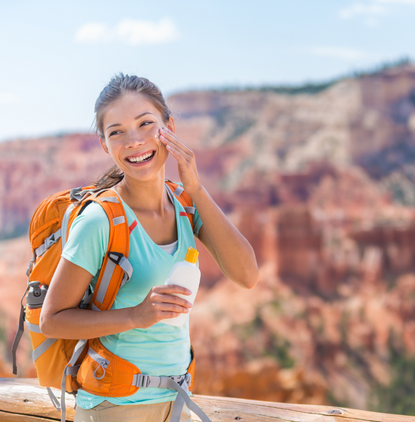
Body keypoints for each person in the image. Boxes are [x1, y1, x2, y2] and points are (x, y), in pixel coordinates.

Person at [39, 74, 259, 422]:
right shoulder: (100, 220)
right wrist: (134, 317)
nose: (135, 141)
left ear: (169, 126)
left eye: (146, 124)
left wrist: (197, 189)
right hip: (113, 408)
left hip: (176, 402)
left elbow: (247, 275)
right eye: (117, 132)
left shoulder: (186, 206)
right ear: (104, 145)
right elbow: (51, 320)